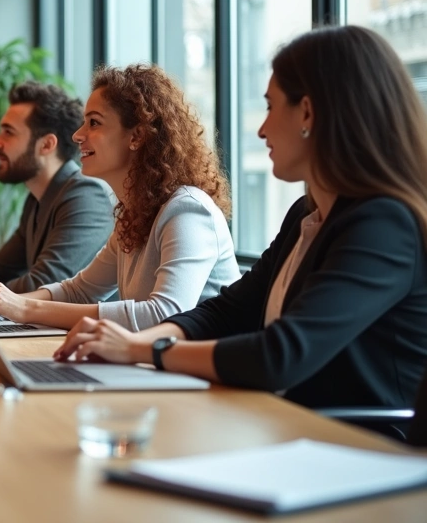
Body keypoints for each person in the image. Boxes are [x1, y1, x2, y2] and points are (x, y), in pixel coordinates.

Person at [54, 26, 427, 411]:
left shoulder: (383, 225)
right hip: (288, 426)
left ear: (308, 113)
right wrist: (135, 345)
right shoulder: (306, 214)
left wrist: (145, 349)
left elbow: (279, 355)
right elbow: (226, 311)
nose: (262, 129)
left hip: (355, 447)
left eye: (269, 106)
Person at [0, 64, 239, 331]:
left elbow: (164, 314)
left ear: (137, 136)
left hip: (205, 375)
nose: (77, 135)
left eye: (94, 123)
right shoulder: (133, 215)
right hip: (156, 369)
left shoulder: (188, 210)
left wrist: (23, 308)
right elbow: (78, 291)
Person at [0, 81, 114, 292]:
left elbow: (45, 282)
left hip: (84, 325)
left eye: (8, 132)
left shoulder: (87, 196)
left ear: (46, 145)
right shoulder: (36, 200)